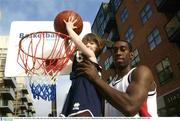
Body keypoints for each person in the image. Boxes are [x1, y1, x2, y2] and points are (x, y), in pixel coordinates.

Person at [76, 40, 158, 117]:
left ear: (131, 55)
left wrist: (96, 79)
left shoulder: (141, 72)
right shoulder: (109, 85)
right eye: (115, 51)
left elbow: (130, 107)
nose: (118, 53)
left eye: (123, 49)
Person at [60, 16, 104, 117]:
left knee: (83, 115)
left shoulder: (92, 56)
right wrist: (66, 39)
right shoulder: (79, 57)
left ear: (97, 47)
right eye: (86, 43)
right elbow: (68, 53)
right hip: (76, 89)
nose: (88, 45)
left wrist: (69, 29)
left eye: (92, 43)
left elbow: (78, 43)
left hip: (88, 91)